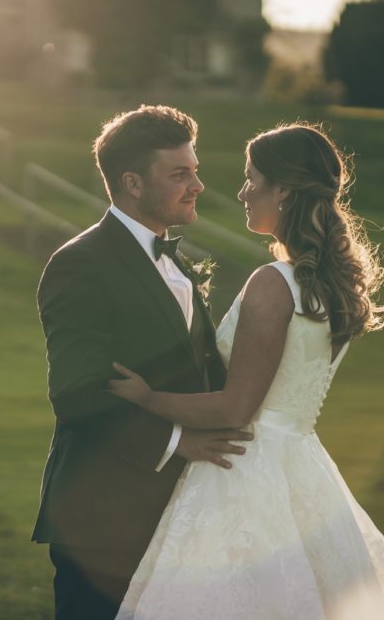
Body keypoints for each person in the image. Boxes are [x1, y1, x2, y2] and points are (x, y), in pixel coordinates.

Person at [107, 122, 384, 619]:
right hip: (303, 463)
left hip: (246, 468)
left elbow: (237, 406)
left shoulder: (274, 283)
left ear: (286, 190)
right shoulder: (328, 285)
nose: (242, 192)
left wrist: (149, 399)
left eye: (252, 179)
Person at [33, 105, 253, 620]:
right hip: (103, 520)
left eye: (194, 170)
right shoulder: (80, 265)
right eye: (180, 174)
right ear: (132, 182)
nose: (197, 184)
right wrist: (180, 443)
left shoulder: (174, 260)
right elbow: (76, 395)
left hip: (178, 515)